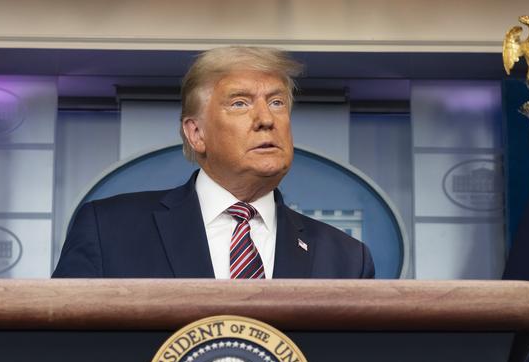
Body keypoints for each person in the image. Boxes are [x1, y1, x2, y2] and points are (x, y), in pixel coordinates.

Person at [52, 46, 374, 279]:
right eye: (239, 103)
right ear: (196, 134)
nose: (266, 119)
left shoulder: (346, 260)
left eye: (276, 102)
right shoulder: (108, 231)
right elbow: (64, 359)